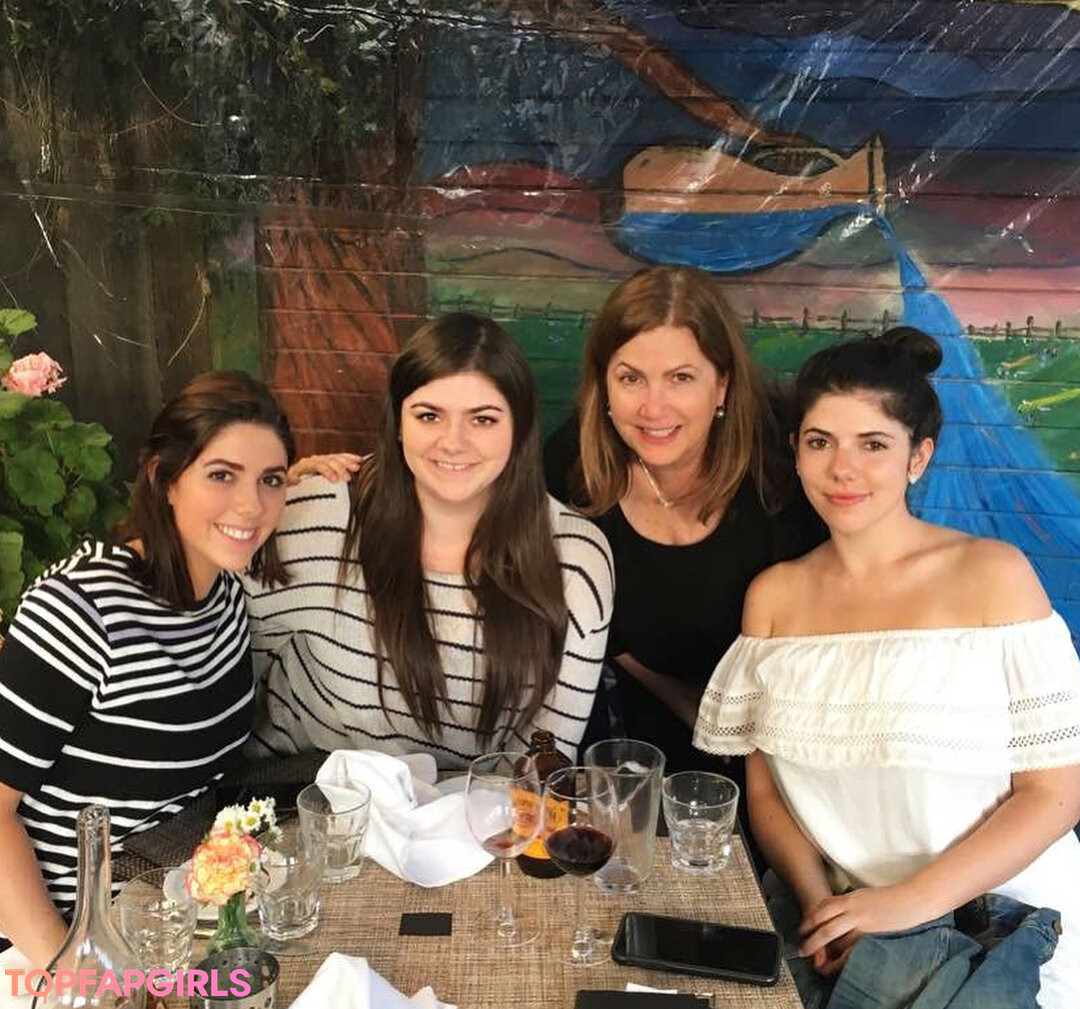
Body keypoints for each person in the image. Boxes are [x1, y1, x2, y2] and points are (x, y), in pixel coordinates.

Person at [694, 327, 1080, 1007]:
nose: (843, 469)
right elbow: (767, 794)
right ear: (797, 451)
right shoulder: (774, 597)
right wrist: (822, 907)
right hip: (840, 920)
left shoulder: (993, 576)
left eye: (873, 444)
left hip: (998, 921)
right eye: (821, 442)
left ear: (918, 456)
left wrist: (905, 903)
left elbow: (1053, 795)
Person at [0, 371, 293, 966]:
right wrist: (68, 972)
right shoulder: (80, 612)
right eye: (222, 475)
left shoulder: (225, 598)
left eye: (271, 479)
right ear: (164, 479)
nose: (251, 505)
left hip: (172, 910)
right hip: (63, 936)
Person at [244, 313, 613, 768]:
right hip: (302, 791)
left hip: (476, 807)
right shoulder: (313, 515)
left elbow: (540, 767)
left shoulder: (575, 560)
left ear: (518, 429)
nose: (453, 442)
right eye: (429, 415)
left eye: (483, 419)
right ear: (399, 422)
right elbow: (227, 671)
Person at [543, 265, 823, 779]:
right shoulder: (569, 467)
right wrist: (679, 698)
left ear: (722, 386)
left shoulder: (784, 466)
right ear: (604, 385)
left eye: (681, 378)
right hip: (631, 727)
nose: (653, 408)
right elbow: (581, 618)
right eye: (631, 378)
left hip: (782, 732)